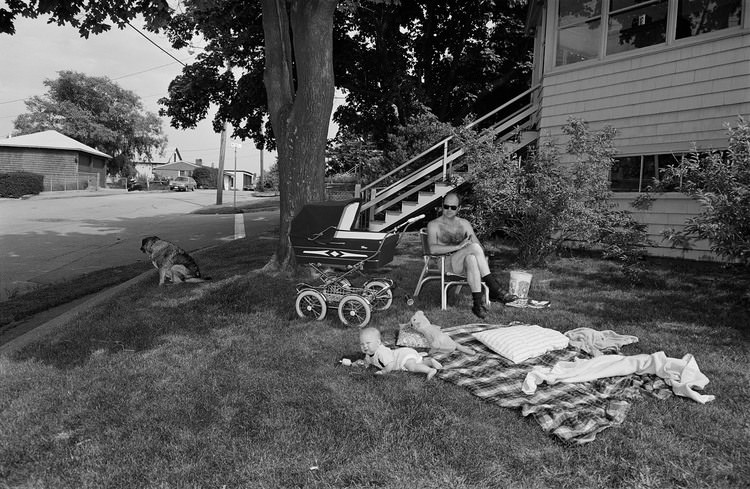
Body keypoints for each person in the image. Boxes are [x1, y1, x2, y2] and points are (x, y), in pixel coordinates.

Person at [426, 192, 512, 318]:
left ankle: (477, 305)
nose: (449, 210)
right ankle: (493, 288)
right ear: (442, 206)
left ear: (459, 208)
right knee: (473, 249)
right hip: (445, 263)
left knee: (471, 257)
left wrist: (467, 249)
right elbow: (432, 249)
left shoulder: (464, 223)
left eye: (453, 207)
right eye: (446, 206)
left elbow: (478, 246)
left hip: (463, 262)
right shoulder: (433, 225)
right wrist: (458, 247)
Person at [359, 327, 442, 380]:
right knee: (418, 362)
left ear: (378, 342)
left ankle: (430, 370)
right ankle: (430, 361)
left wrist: (383, 372)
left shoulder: (381, 353)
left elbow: (390, 364)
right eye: (362, 344)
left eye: (368, 343)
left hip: (402, 357)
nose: (365, 346)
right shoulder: (369, 353)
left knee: (412, 367)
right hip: (405, 353)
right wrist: (364, 363)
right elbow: (368, 360)